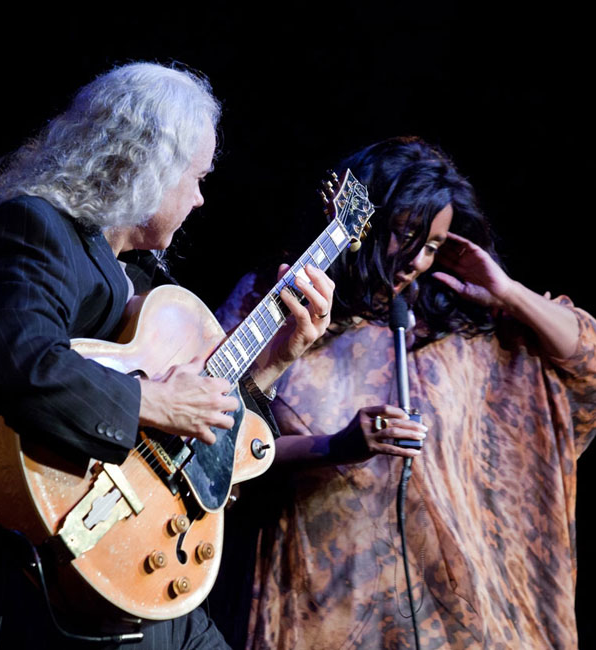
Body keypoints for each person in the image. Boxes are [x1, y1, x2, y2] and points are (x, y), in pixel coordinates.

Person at [0, 62, 333, 649]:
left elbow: (199, 440)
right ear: (151, 166)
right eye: (196, 178)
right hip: (60, 572)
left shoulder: (141, 279)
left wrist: (274, 360)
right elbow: (23, 366)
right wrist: (157, 402)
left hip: (147, 562)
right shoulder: (32, 227)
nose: (200, 199)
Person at [216, 136, 596, 649]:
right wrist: (336, 446)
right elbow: (219, 438)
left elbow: (583, 361)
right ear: (365, 222)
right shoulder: (285, 299)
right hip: (327, 599)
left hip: (454, 611)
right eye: (407, 234)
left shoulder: (455, 317)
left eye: (434, 245)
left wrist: (506, 291)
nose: (417, 259)